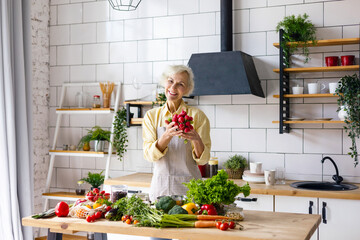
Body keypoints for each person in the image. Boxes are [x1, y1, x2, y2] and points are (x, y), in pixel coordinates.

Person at [142, 65, 211, 202]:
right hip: (161, 187)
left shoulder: (197, 116)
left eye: (181, 84)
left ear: (187, 89)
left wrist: (196, 139)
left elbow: (203, 160)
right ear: (164, 82)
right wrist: (166, 136)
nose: (173, 88)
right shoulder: (151, 116)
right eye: (170, 81)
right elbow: (149, 155)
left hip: (191, 188)